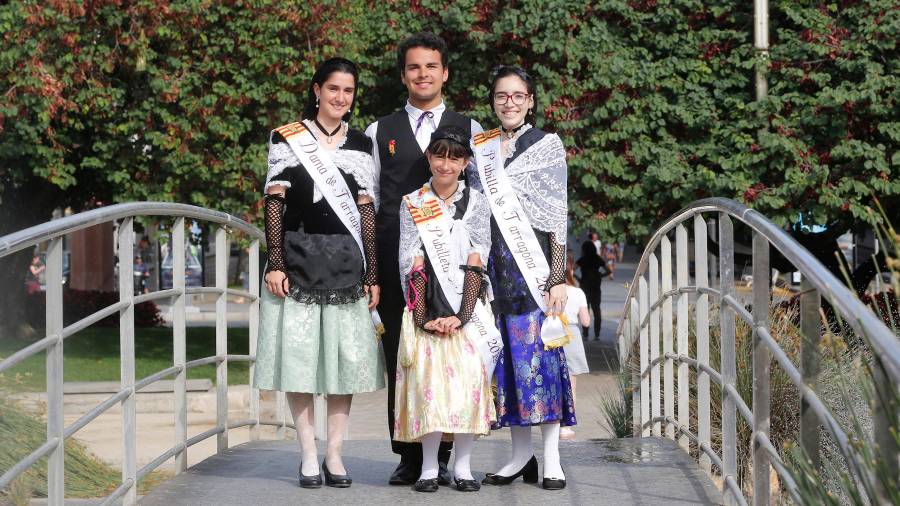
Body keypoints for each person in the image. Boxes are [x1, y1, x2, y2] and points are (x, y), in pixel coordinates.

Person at [255, 57, 385, 489]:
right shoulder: (287, 136)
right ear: (316, 90)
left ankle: (335, 454)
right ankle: (308, 454)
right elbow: (275, 203)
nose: (340, 98)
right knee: (300, 361)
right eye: (333, 89)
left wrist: (373, 273)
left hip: (347, 263)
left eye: (348, 92)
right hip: (297, 260)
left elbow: (366, 212)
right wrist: (275, 262)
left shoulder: (363, 143)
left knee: (343, 364)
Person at [365, 31, 483, 486]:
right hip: (403, 262)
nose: (423, 74)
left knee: (457, 359)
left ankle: (453, 452)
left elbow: (483, 198)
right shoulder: (381, 130)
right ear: (403, 75)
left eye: (431, 66)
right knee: (406, 359)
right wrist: (373, 267)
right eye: (414, 67)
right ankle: (409, 455)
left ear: (445, 72)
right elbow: (371, 201)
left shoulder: (470, 127)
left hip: (455, 267)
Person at [468, 65, 575, 490]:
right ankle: (520, 455)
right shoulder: (482, 147)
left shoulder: (547, 144)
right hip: (496, 271)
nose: (509, 102)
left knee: (543, 362)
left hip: (535, 272)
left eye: (517, 95)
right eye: (501, 96)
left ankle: (551, 459)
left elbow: (558, 216)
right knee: (508, 366)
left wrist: (558, 276)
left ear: (531, 100)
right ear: (493, 101)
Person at [394, 125, 496, 492]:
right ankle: (428, 469)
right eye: (439, 155)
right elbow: (412, 261)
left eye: (455, 157)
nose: (446, 164)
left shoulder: (477, 203)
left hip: (466, 309)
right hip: (427, 308)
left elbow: (477, 258)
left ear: (466, 162)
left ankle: (464, 467)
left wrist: (462, 315)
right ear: (429, 157)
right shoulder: (413, 202)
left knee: (468, 386)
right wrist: (425, 316)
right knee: (430, 388)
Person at [560, 253, 591, 441]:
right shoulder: (578, 293)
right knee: (571, 385)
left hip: (551, 333)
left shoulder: (547, 290)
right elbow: (586, 322)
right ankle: (566, 427)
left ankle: (552, 421)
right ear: (571, 269)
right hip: (571, 335)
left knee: (553, 381)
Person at [577, 236, 610, 340]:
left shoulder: (582, 259)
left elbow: (571, 271)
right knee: (597, 311)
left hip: (584, 288)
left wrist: (578, 279)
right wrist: (600, 276)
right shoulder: (597, 258)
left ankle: (585, 334)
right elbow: (609, 271)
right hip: (596, 288)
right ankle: (597, 334)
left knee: (585, 311)